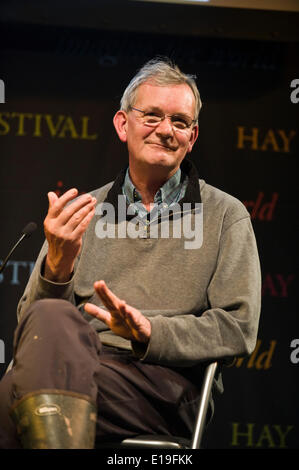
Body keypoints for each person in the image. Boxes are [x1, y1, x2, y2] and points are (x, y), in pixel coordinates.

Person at [0, 58, 261, 449]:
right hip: (77, 366)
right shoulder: (83, 211)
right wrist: (58, 265)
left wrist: (151, 333)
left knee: (21, 393)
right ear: (123, 125)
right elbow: (32, 326)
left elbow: (237, 328)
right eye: (152, 116)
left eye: (179, 121)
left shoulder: (225, 215)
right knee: (47, 328)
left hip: (165, 385)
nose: (166, 130)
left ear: (192, 137)